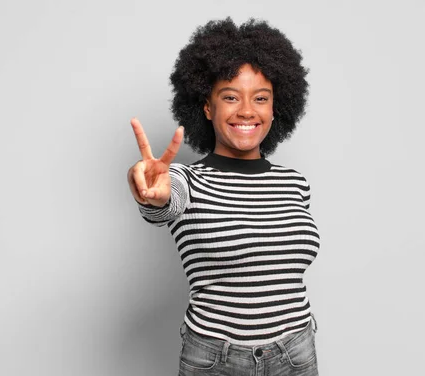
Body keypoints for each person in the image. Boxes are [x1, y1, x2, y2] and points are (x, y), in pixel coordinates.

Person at [127, 17, 320, 376]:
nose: (247, 110)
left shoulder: (295, 184)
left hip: (296, 354)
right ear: (207, 107)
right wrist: (148, 191)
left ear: (275, 108)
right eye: (230, 97)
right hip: (216, 361)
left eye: (260, 98)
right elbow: (162, 202)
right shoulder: (187, 180)